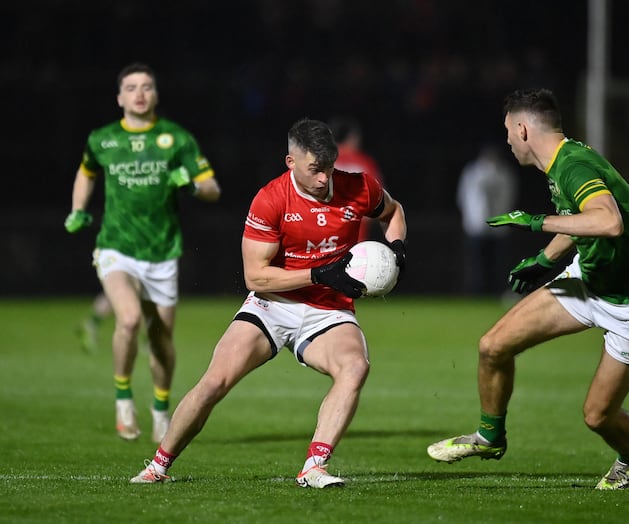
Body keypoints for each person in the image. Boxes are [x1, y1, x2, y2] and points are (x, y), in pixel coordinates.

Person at [129, 118, 407, 488]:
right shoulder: (271, 199)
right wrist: (318, 274)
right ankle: (158, 466)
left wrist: (397, 250)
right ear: (291, 163)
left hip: (328, 310)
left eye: (329, 168)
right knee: (214, 382)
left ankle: (314, 467)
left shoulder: (357, 186)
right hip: (272, 304)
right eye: (315, 170)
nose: (325, 178)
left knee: (355, 367)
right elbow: (255, 277)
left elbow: (394, 212)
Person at [427, 88, 629, 490]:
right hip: (589, 279)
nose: (506, 140)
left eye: (508, 131)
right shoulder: (561, 161)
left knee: (597, 416)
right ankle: (489, 438)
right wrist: (545, 259)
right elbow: (577, 218)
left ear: (523, 129)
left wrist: (536, 222)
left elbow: (608, 222)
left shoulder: (573, 164)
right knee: (493, 346)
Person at [64, 62, 221, 443]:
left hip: (163, 253)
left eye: (146, 87)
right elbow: (86, 172)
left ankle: (160, 409)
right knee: (129, 319)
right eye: (131, 87)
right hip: (116, 248)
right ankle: (123, 401)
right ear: (119, 98)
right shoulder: (102, 139)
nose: (139, 93)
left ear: (155, 95)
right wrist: (78, 209)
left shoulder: (176, 139)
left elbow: (212, 188)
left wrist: (190, 185)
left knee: (161, 337)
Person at [456, 143, 518, 295]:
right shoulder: (473, 172)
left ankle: (498, 292)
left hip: (498, 227)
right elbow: (463, 197)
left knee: (498, 264)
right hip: (476, 226)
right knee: (476, 265)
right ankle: (475, 293)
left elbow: (510, 197)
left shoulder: (504, 173)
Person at [329, 116, 383, 241]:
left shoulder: (320, 161)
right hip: (356, 239)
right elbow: (379, 201)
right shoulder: (364, 163)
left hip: (320, 239)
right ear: (352, 137)